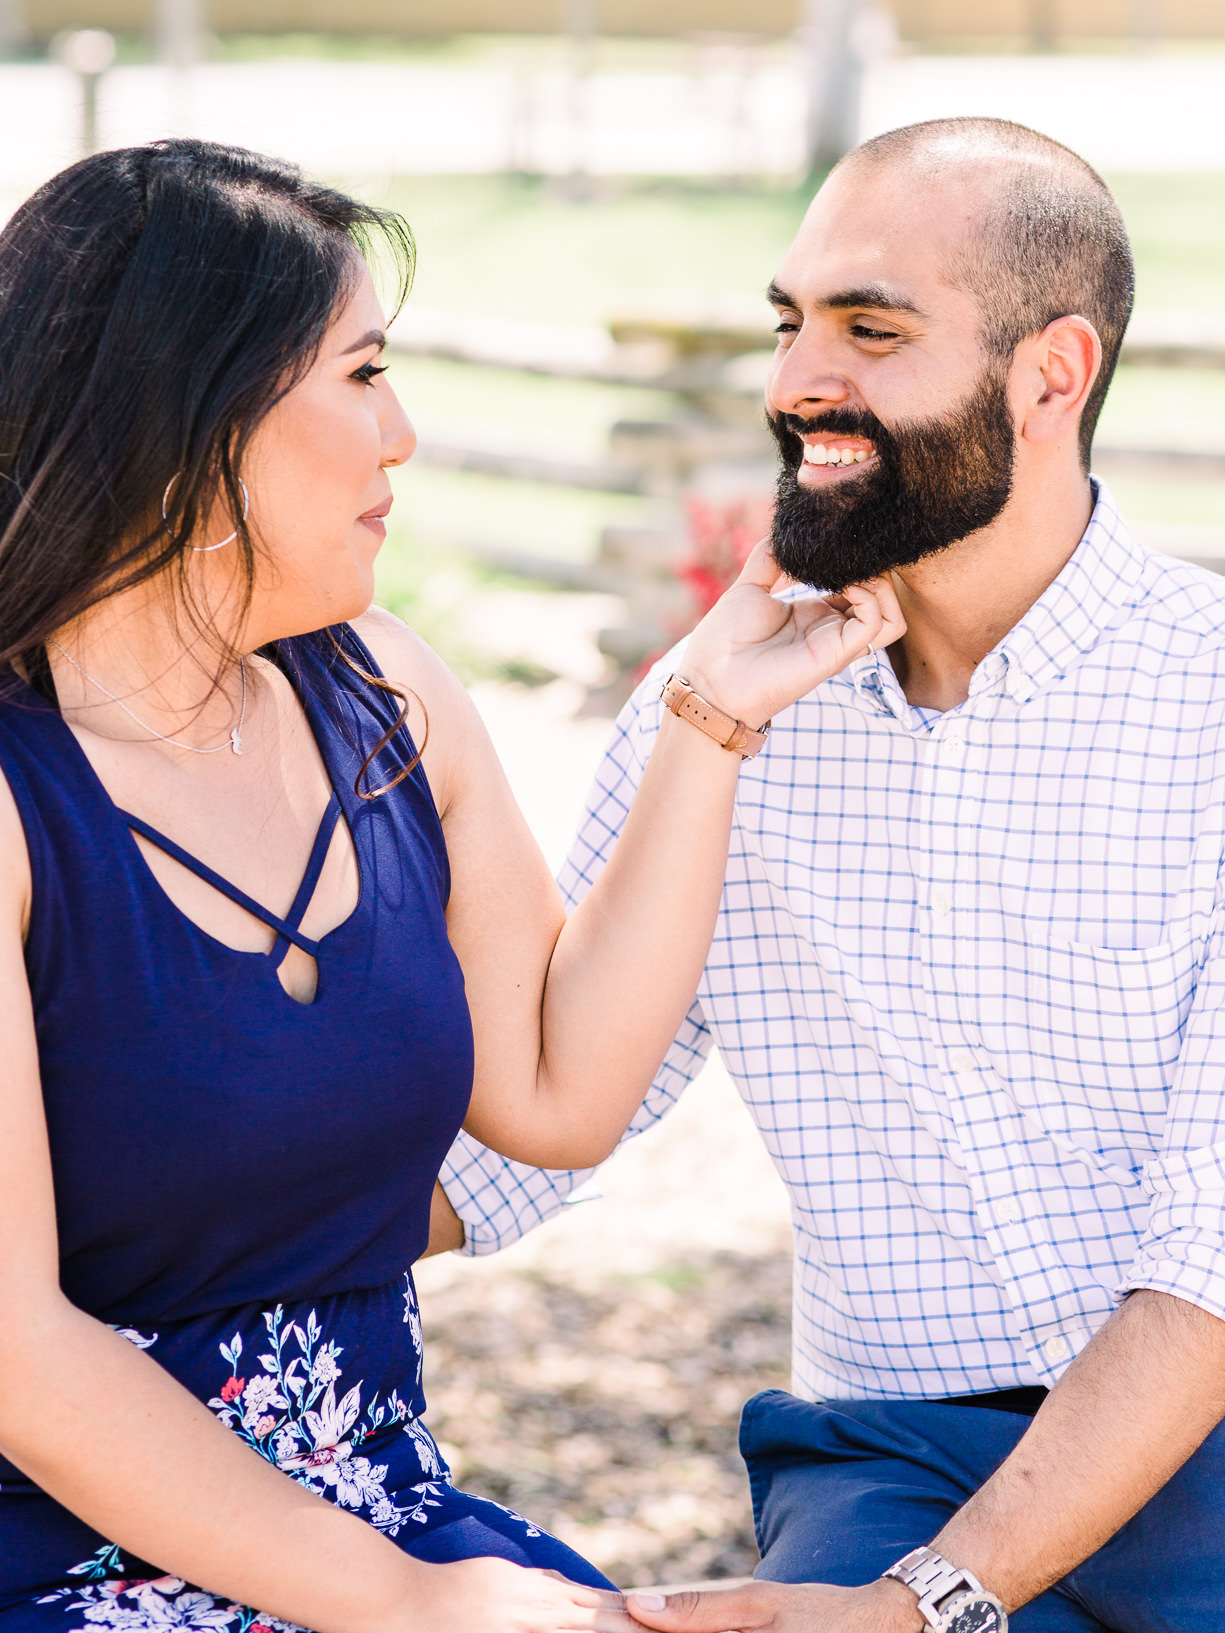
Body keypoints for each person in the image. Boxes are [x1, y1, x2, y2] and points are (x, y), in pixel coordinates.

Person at [0, 139, 903, 1632]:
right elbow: (19, 1353)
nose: (401, 432)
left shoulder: (385, 699)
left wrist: (712, 715)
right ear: (193, 415)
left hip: (388, 1519)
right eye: (361, 374)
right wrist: (423, 1607)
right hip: (67, 1558)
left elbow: (555, 1090)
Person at [434, 118, 1225, 1633]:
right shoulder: (717, 699)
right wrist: (143, 1239)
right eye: (789, 322)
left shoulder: (1205, 705)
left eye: (870, 329)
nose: (800, 379)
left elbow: (1207, 1256)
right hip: (886, 1446)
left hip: (1200, 1417)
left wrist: (924, 1605)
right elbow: (539, 1119)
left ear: (1049, 374)